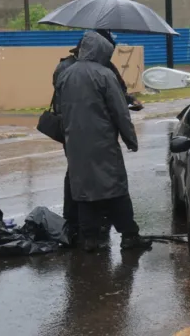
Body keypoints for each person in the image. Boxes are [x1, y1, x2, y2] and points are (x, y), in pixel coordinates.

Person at [55, 30, 151, 252]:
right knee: (116, 189)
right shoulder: (104, 75)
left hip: (75, 145)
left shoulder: (65, 75)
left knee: (84, 192)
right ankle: (129, 236)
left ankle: (89, 240)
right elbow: (120, 112)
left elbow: (60, 110)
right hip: (103, 143)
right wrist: (130, 139)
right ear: (101, 51)